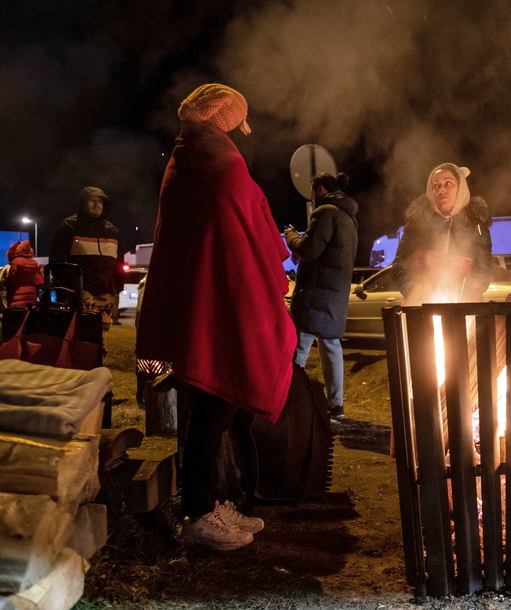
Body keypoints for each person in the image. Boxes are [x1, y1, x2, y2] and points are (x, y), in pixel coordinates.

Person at [136, 83, 297, 551]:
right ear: (224, 115)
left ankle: (206, 503)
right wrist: (269, 265)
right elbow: (244, 219)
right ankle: (198, 514)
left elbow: (239, 217)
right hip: (218, 299)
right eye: (237, 119)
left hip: (208, 297)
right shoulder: (211, 158)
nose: (240, 129)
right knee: (215, 404)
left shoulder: (192, 155)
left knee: (215, 406)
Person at [284, 172, 359, 420]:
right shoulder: (348, 217)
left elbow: (309, 249)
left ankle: (290, 399)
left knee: (299, 346)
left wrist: (292, 236)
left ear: (320, 190)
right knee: (331, 346)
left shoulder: (325, 212)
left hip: (315, 292)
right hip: (335, 294)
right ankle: (336, 406)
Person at [391, 163, 493, 305]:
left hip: (464, 307)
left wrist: (468, 290)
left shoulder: (476, 226)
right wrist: (415, 290)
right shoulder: (417, 224)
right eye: (436, 186)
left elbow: (484, 269)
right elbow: (398, 267)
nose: (442, 189)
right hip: (423, 307)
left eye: (448, 183)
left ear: (461, 189)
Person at [49, 186, 125, 353]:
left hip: (105, 294)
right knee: (80, 335)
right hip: (79, 294)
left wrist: (116, 288)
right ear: (83, 204)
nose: (97, 205)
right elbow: (57, 262)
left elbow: (119, 264)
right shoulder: (69, 227)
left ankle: (96, 362)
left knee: (101, 336)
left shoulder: (112, 231)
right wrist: (72, 288)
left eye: (101, 202)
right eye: (92, 201)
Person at [4, 241, 44, 309]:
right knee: (27, 315)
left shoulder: (16, 262)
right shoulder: (34, 262)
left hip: (17, 296)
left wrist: (7, 285)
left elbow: (12, 279)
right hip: (31, 294)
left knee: (16, 317)